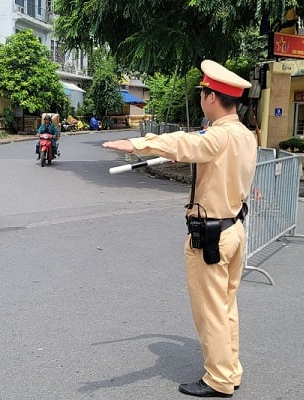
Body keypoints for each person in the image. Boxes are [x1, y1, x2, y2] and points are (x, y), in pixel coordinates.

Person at [102, 60, 256, 398]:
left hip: (211, 236)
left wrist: (137, 144)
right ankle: (230, 370)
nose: (201, 97)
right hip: (234, 230)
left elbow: (185, 144)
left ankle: (218, 379)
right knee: (226, 307)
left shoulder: (218, 137)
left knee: (210, 311)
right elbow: (196, 145)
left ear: (212, 97)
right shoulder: (245, 135)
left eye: (203, 92)